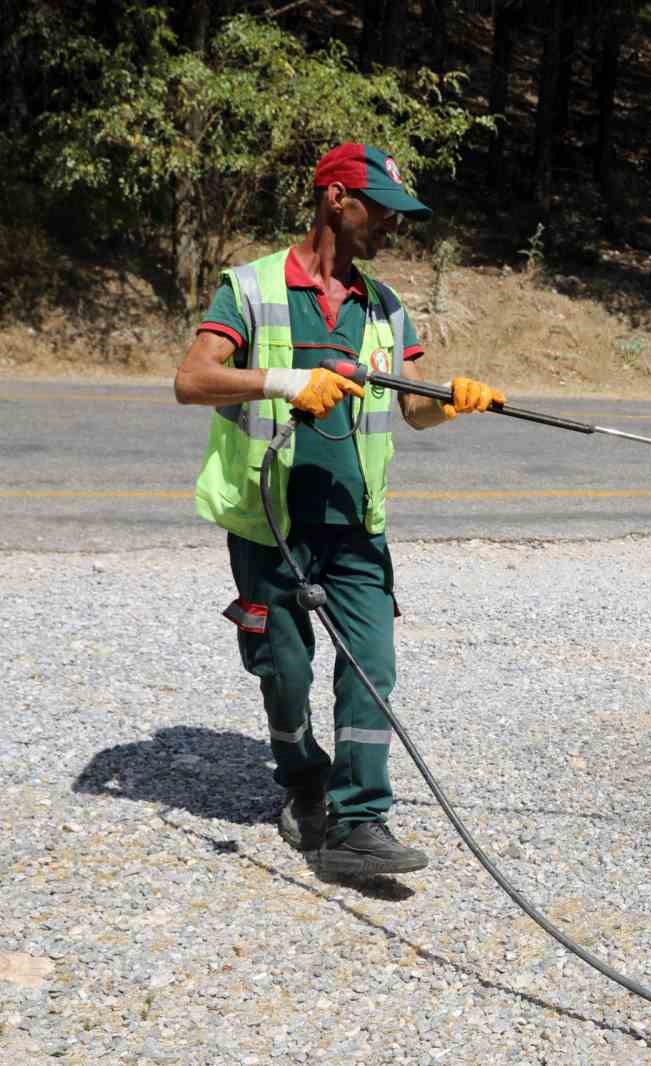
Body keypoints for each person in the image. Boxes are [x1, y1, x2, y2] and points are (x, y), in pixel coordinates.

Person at [173, 142, 505, 878]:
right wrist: (289, 383)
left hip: (355, 526)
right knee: (283, 672)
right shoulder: (253, 287)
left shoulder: (384, 306)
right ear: (333, 198)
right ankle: (300, 778)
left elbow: (414, 412)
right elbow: (193, 379)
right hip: (271, 525)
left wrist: (456, 399)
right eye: (378, 208)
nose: (390, 225)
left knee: (372, 664)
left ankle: (361, 822)